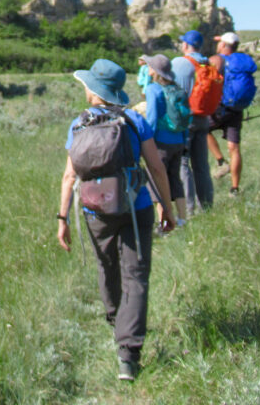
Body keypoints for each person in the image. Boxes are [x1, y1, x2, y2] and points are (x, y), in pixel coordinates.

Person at [56, 59, 176, 381]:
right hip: (135, 208)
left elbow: (69, 176)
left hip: (95, 212)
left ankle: (115, 320)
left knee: (106, 266)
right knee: (136, 275)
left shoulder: (77, 124)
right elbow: (157, 167)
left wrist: (62, 217)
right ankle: (129, 354)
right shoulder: (135, 120)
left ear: (93, 90)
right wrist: (167, 206)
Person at [138, 54, 188, 225]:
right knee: (175, 179)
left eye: (150, 65)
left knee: (157, 180)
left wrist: (147, 141)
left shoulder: (153, 89)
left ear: (155, 70)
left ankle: (164, 221)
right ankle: (182, 218)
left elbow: (151, 118)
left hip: (161, 142)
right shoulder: (177, 88)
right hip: (179, 140)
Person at [206, 32, 257, 195]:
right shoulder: (243, 61)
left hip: (221, 107)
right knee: (234, 148)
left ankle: (221, 162)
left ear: (223, 45)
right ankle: (235, 189)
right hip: (237, 109)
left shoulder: (217, 60)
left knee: (202, 130)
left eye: (219, 42)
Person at [170, 30, 215, 211]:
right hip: (203, 118)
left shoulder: (180, 63)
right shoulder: (207, 63)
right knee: (201, 165)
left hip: (185, 119)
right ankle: (206, 205)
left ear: (186, 45)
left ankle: (189, 209)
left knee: (183, 163)